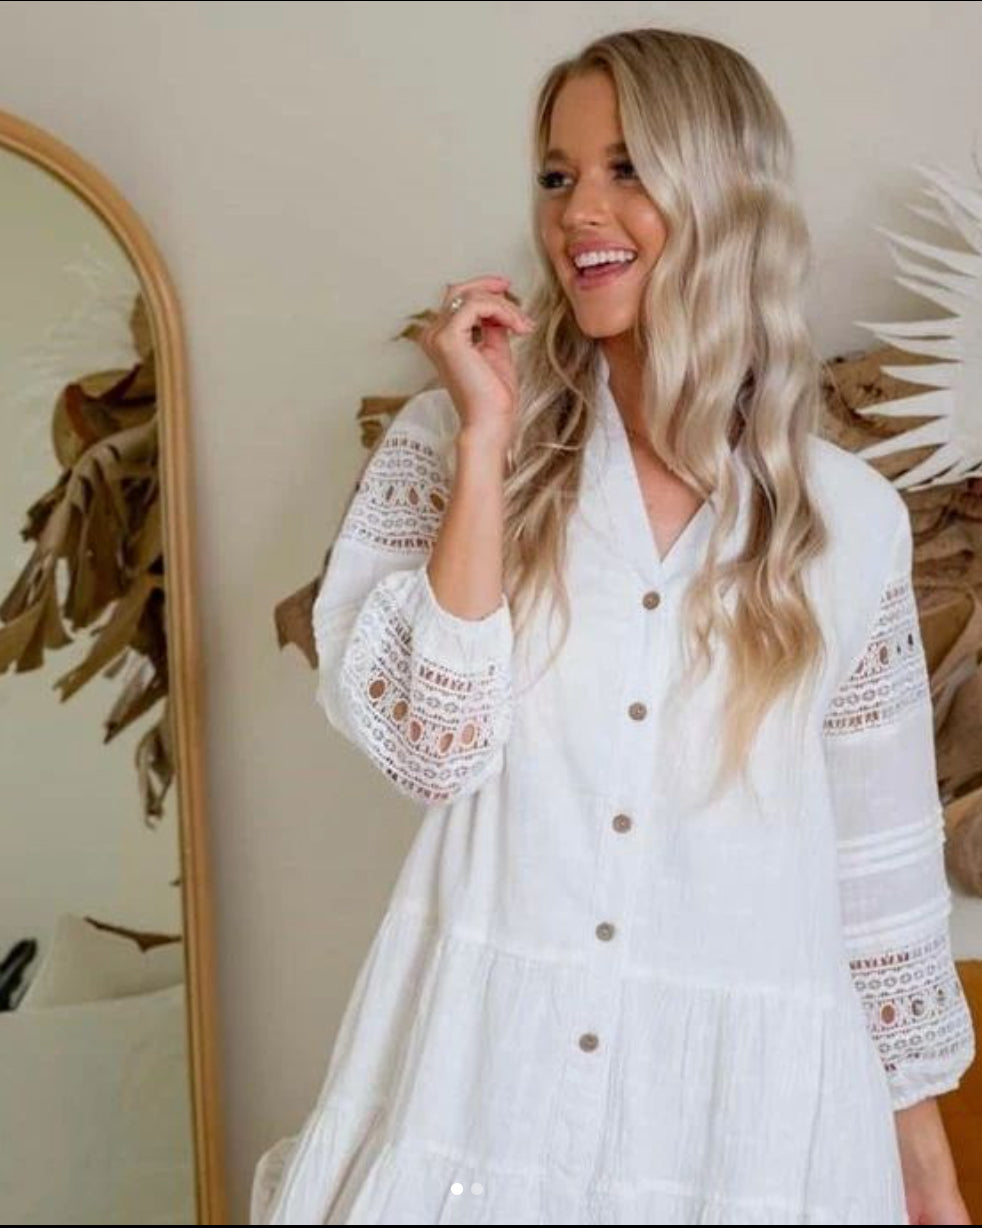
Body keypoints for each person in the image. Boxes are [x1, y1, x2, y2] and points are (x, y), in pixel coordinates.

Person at [252, 26, 976, 1226]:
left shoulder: (849, 523)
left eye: (627, 167)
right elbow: (431, 749)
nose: (577, 210)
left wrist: (929, 1176)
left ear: (727, 195)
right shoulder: (454, 451)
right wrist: (485, 440)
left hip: (746, 1134)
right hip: (487, 1093)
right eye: (558, 174)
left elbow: (879, 873)